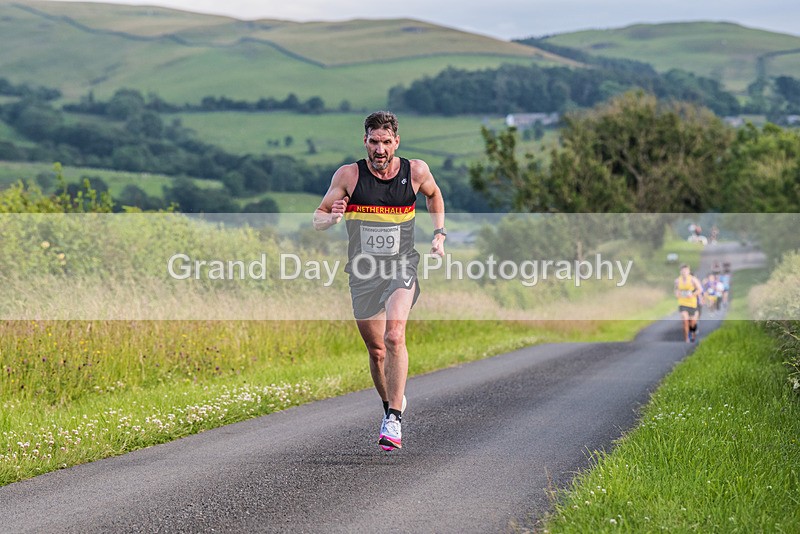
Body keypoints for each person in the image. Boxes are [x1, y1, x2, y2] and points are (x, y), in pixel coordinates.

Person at [313, 111, 446, 451]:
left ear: (396, 142)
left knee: (394, 334)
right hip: (362, 273)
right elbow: (319, 217)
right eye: (374, 141)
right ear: (365, 141)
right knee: (376, 351)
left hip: (402, 267)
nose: (380, 149)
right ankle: (390, 407)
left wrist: (439, 234)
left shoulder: (415, 171)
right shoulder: (348, 175)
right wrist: (332, 219)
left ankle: (395, 420)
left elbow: (434, 195)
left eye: (387, 142)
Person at [675, 264, 703, 343]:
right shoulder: (677, 280)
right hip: (682, 303)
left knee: (692, 323)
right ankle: (687, 338)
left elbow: (700, 289)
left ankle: (692, 335)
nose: (684, 272)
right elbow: (676, 290)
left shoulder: (693, 279)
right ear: (680, 272)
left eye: (686, 271)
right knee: (685, 321)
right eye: (682, 271)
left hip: (692, 303)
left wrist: (693, 294)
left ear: (688, 271)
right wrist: (677, 294)